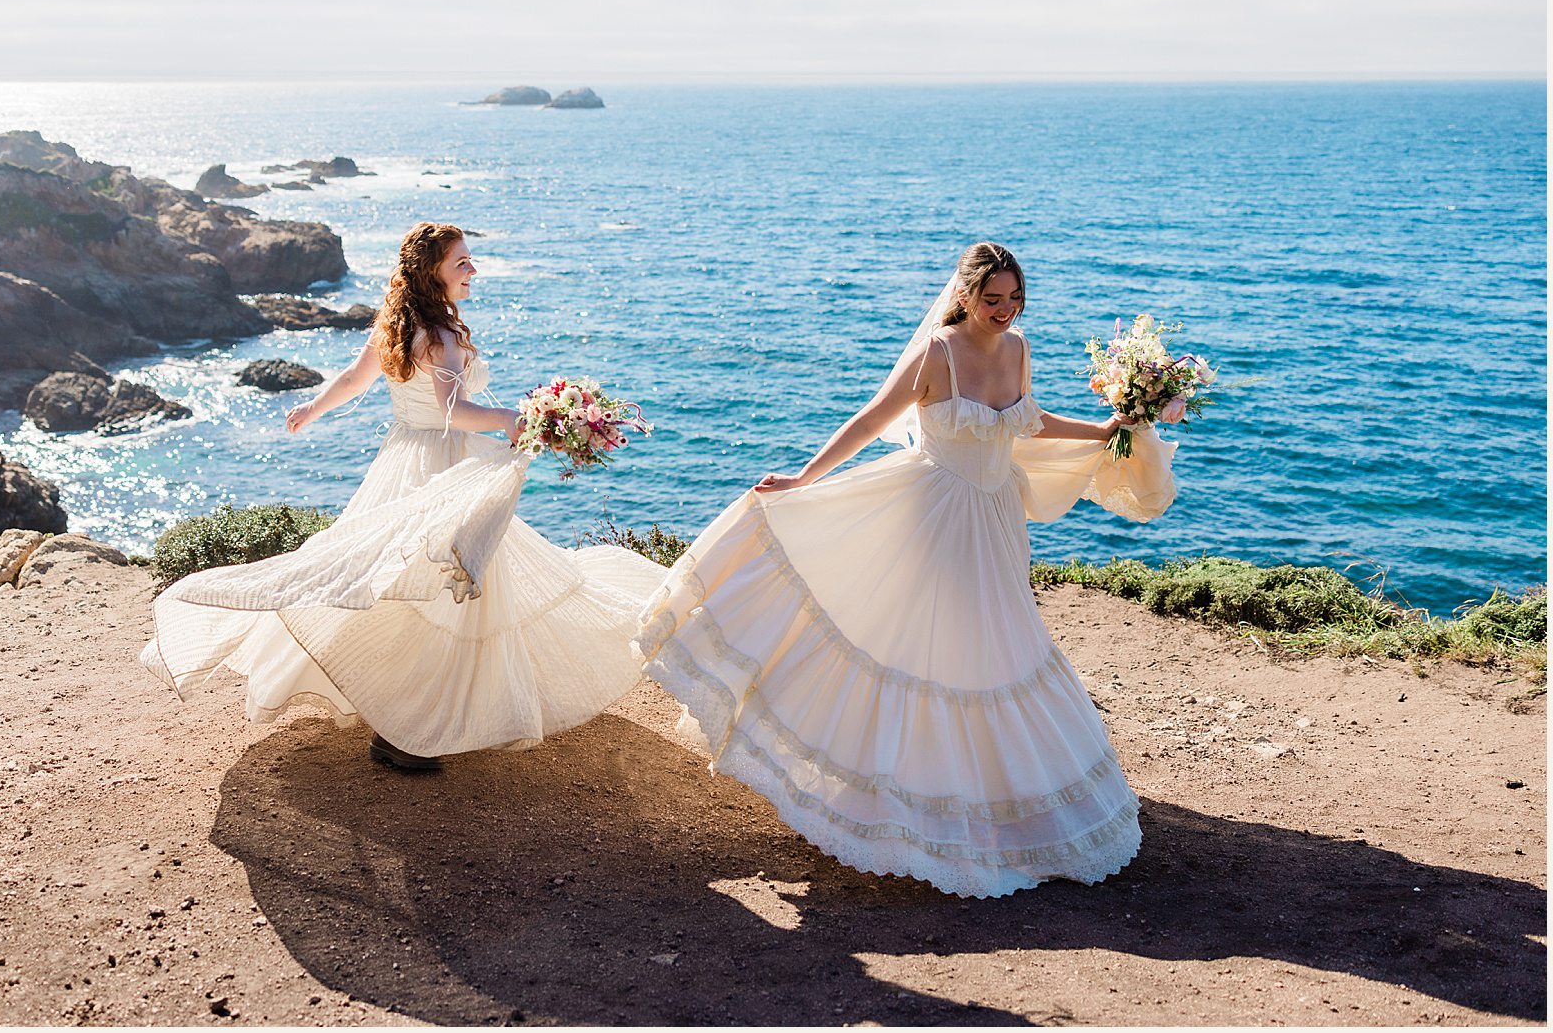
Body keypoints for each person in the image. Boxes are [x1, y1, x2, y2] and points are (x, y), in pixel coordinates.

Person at [634, 241, 1178, 897]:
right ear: (966, 296)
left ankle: (996, 796)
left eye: (1014, 299)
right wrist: (806, 475)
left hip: (997, 520)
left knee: (1000, 644)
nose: (1004, 311)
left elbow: (1026, 423)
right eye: (992, 299)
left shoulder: (1019, 350)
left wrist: (1102, 430)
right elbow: (871, 418)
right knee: (928, 646)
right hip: (935, 513)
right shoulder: (937, 352)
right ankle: (904, 798)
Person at [141, 221, 666, 771]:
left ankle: (410, 717)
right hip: (443, 466)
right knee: (448, 590)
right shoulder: (438, 334)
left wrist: (311, 409)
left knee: (408, 585)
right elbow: (454, 413)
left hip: (402, 459)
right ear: (432, 270)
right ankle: (408, 731)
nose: (472, 270)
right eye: (462, 262)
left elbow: (352, 380)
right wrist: (519, 419)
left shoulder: (397, 325)